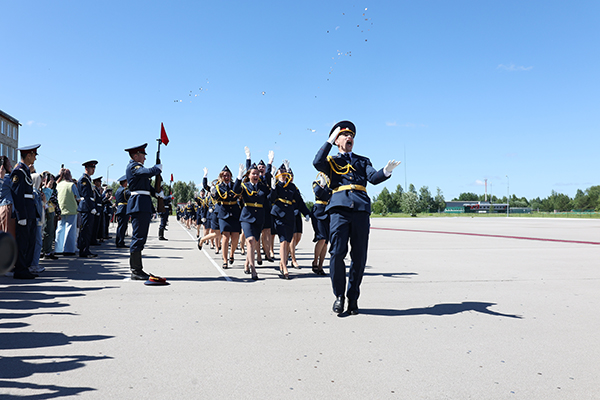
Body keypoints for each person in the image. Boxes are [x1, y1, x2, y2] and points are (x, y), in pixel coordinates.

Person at [313, 121, 400, 314]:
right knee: (336, 254)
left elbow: (373, 178)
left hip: (360, 209)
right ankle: (339, 296)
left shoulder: (363, 160)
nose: (349, 137)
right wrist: (328, 140)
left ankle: (353, 297)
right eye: (344, 135)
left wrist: (387, 171)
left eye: (351, 135)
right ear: (337, 140)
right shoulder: (332, 161)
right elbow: (317, 161)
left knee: (359, 257)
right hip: (339, 210)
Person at [125, 143, 163, 280]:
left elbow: (147, 186)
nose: (145, 158)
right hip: (138, 205)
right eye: (143, 155)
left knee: (141, 237)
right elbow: (146, 172)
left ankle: (138, 269)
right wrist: (156, 169)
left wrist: (157, 193)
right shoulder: (133, 167)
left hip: (143, 204)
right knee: (138, 238)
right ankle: (136, 270)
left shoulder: (138, 168)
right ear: (136, 156)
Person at [268, 160, 310, 279]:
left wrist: (306, 213)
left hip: (290, 215)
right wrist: (273, 188)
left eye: (285, 173)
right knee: (283, 241)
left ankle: (282, 263)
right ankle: (285, 267)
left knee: (288, 240)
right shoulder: (276, 186)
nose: (283, 175)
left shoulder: (292, 187)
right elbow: (271, 199)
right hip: (279, 215)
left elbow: (300, 201)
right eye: (281, 173)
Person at [233, 160, 271, 280]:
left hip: (259, 218)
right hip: (246, 217)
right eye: (253, 173)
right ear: (249, 175)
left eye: (257, 174)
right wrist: (239, 177)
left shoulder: (263, 187)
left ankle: (246, 263)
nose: (255, 176)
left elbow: (270, 198)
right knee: (250, 240)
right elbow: (235, 191)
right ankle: (254, 270)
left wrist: (273, 183)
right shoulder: (244, 186)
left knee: (253, 243)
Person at [10, 144, 41, 279]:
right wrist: (20, 215)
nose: (35, 158)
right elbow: (17, 195)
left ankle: (26, 267)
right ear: (28, 155)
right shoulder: (18, 171)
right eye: (34, 155)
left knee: (29, 241)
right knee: (23, 242)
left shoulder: (25, 170)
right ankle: (20, 269)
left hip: (30, 212)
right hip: (24, 213)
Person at [310, 172, 331, 275]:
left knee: (326, 241)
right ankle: (315, 261)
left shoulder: (332, 184)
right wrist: (322, 185)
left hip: (328, 212)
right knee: (321, 238)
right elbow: (317, 192)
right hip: (318, 212)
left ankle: (320, 265)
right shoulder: (317, 182)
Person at [77, 160, 99, 258]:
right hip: (86, 207)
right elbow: (86, 196)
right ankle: (83, 250)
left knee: (88, 230)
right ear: (86, 169)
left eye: (94, 168)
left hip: (88, 207)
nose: (93, 170)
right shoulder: (84, 179)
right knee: (85, 230)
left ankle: (86, 249)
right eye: (92, 168)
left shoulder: (88, 179)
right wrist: (92, 208)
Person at [55, 169, 79, 255]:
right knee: (70, 230)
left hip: (60, 209)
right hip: (71, 209)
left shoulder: (58, 184)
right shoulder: (72, 185)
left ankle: (58, 249)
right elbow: (77, 197)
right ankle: (68, 249)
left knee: (60, 229)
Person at [41, 172, 60, 260]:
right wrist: (47, 187)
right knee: (46, 231)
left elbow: (56, 201)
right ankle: (45, 251)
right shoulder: (44, 189)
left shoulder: (54, 189)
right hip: (46, 210)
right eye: (50, 179)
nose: (52, 181)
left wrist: (58, 212)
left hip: (52, 211)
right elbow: (45, 198)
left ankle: (47, 250)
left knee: (50, 231)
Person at [0, 156, 15, 239]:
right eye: (9, 164)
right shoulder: (8, 178)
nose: (11, 166)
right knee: (9, 234)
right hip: (7, 207)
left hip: (2, 207)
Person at [114, 175, 130, 248]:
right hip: (124, 209)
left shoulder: (118, 190)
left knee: (120, 227)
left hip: (120, 209)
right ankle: (120, 242)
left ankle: (119, 241)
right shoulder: (124, 190)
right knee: (122, 227)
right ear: (124, 182)